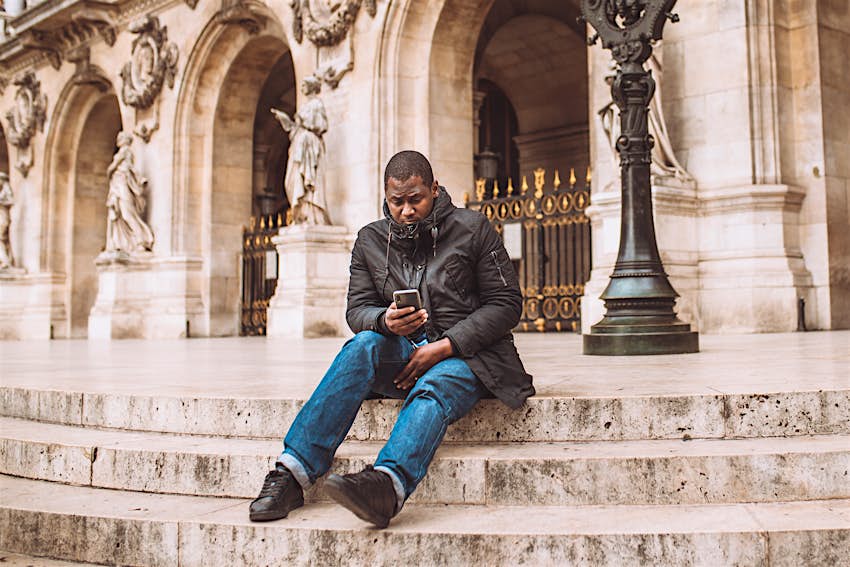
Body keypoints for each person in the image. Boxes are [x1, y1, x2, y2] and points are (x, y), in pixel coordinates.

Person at [249, 150, 534, 527]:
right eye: (396, 202)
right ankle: (292, 473)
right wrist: (384, 321)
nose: (406, 210)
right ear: (386, 197)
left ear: (434, 189)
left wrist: (445, 346)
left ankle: (387, 485)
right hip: (404, 351)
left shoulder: (474, 228)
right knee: (361, 346)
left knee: (436, 383)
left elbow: (507, 304)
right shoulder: (370, 239)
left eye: (415, 198)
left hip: (470, 358)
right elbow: (357, 312)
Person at [271, 75, 331, 226]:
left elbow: (322, 125)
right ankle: (302, 213)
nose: (302, 86)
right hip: (299, 145)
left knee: (308, 180)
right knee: (291, 180)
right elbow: (295, 128)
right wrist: (285, 119)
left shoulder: (317, 104)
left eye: (305, 84)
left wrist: (304, 122)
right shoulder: (305, 106)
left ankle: (312, 215)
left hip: (309, 145)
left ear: (312, 86)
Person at [105, 132, 154, 254]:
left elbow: (110, 168)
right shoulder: (124, 156)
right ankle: (123, 242)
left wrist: (110, 172)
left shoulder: (124, 152)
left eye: (120, 138)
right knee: (119, 215)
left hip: (122, 185)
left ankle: (142, 239)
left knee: (127, 214)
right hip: (118, 185)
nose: (118, 140)